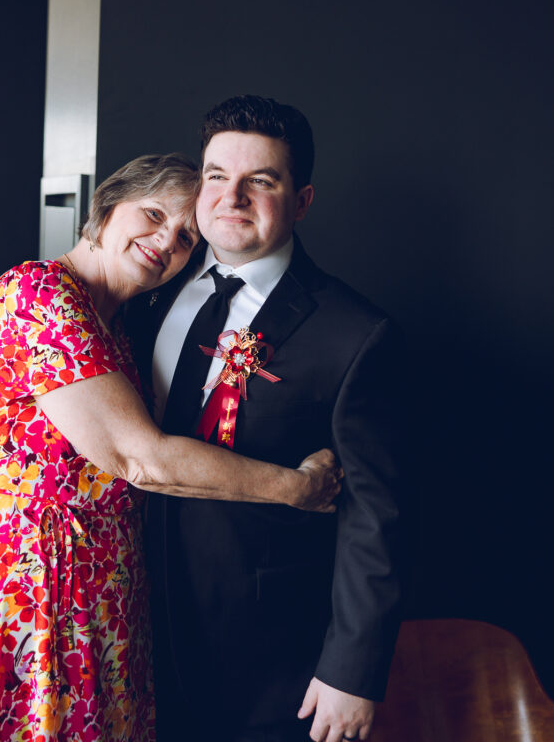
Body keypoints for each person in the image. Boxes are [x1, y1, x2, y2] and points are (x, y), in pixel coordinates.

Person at [0, 153, 341, 742]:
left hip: (99, 602)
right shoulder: (38, 293)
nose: (166, 241)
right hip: (19, 592)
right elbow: (142, 459)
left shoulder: (116, 330)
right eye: (154, 213)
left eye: (187, 236)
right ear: (108, 207)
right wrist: (297, 487)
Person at [128, 98, 404, 742]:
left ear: (302, 200)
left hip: (266, 661)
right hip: (128, 631)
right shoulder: (147, 289)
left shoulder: (356, 333)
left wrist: (352, 672)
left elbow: (379, 517)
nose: (233, 196)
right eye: (217, 175)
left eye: (263, 180)